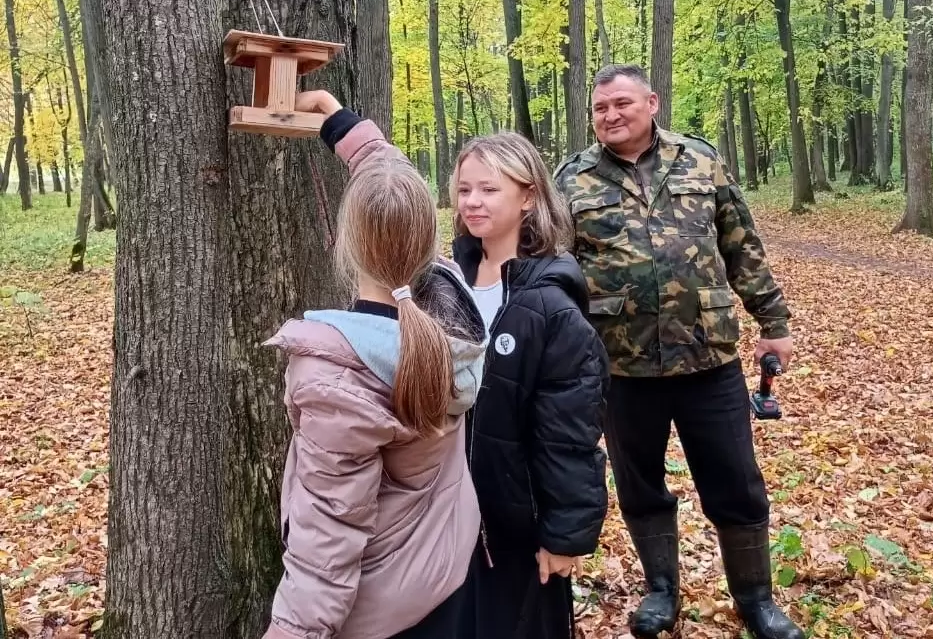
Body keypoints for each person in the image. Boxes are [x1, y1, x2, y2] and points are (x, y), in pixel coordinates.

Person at [552, 64, 804, 639]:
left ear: (652, 102)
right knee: (639, 486)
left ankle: (756, 600)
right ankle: (661, 590)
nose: (611, 115)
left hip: (706, 359)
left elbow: (741, 245)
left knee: (736, 483)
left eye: (622, 103)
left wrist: (773, 319)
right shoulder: (571, 180)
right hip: (621, 364)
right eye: (600, 108)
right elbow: (555, 269)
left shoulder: (701, 161)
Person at [261, 90, 488, 639]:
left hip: (385, 611)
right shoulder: (449, 302)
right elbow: (393, 188)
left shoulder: (337, 381)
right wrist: (339, 121)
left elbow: (325, 543)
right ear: (426, 240)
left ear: (343, 243)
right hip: (451, 578)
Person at [449, 131, 610, 639]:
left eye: (490, 190)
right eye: (464, 189)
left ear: (528, 197)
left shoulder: (550, 305)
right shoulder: (449, 282)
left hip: (519, 526)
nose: (473, 202)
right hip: (450, 515)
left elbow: (570, 429)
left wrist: (564, 535)